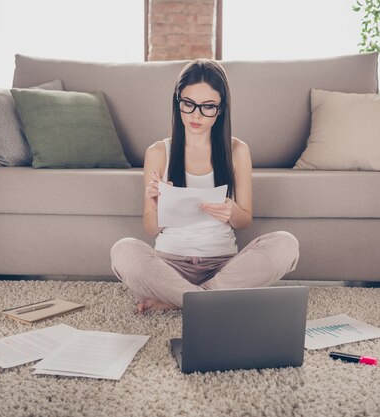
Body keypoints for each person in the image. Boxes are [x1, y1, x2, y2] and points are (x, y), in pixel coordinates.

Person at [110, 59, 299, 314]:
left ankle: (181, 300)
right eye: (188, 104)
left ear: (221, 109)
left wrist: (232, 212)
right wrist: (156, 206)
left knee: (286, 244)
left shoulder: (237, 151)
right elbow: (150, 228)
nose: (196, 115)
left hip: (222, 267)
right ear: (177, 102)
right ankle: (210, 300)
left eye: (208, 107)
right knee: (123, 250)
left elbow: (245, 221)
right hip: (169, 266)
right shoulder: (158, 152)